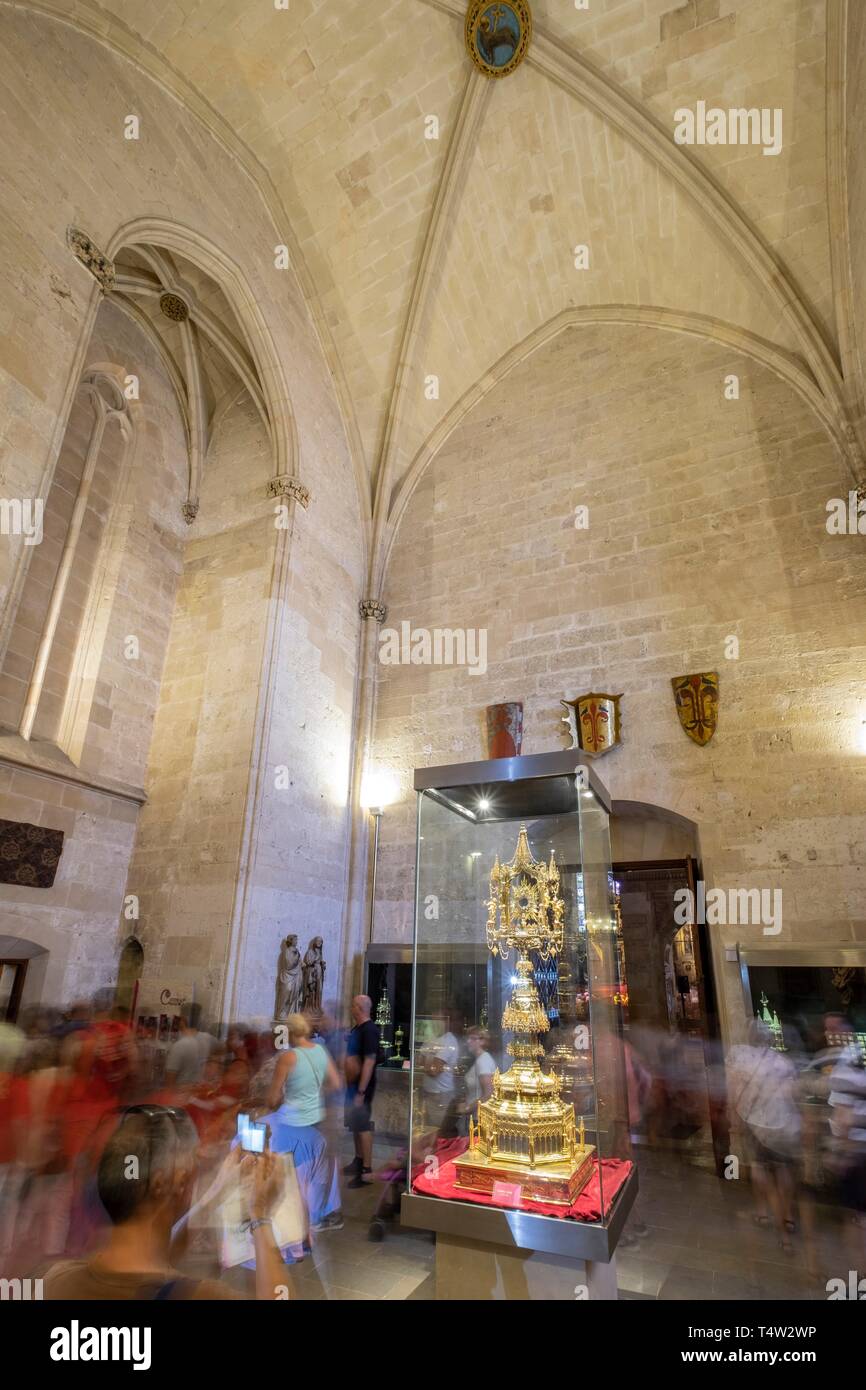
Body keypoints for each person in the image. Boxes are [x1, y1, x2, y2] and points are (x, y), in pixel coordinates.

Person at [41, 1104, 292, 1300]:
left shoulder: (57, 1281)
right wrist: (261, 1216)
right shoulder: (202, 1296)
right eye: (191, 1159)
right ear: (164, 1183)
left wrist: (216, 1193)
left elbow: (151, 1255)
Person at [266, 1013, 343, 1231]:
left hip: (293, 1121)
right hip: (315, 1119)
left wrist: (283, 1097)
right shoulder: (320, 1051)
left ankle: (283, 1216)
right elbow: (336, 1083)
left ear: (289, 1032)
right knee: (314, 1171)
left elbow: (272, 1098)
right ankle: (315, 1216)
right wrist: (314, 1093)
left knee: (287, 1169)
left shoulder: (288, 1057)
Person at [343, 995, 379, 1187]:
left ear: (360, 1008)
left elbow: (369, 1061)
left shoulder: (370, 1030)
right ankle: (358, 1160)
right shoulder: (358, 1028)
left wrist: (361, 1091)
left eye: (353, 1005)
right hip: (352, 1086)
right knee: (355, 1124)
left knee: (363, 1126)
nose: (351, 1008)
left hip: (361, 1088)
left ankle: (366, 1170)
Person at [420, 1010, 460, 1130]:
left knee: (439, 1131)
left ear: (446, 1022)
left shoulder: (449, 1041)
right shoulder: (430, 1038)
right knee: (428, 1130)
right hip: (428, 1093)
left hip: (441, 1095)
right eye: (433, 1021)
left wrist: (427, 1063)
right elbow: (419, 1061)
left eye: (438, 1021)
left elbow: (434, 1070)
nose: (434, 1024)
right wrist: (430, 1063)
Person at [462, 1028, 496, 1119]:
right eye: (468, 1038)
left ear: (482, 1041)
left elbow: (488, 1094)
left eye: (473, 1038)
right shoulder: (480, 1059)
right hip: (476, 1116)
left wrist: (467, 1108)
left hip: (479, 1118)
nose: (468, 1041)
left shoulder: (483, 1061)